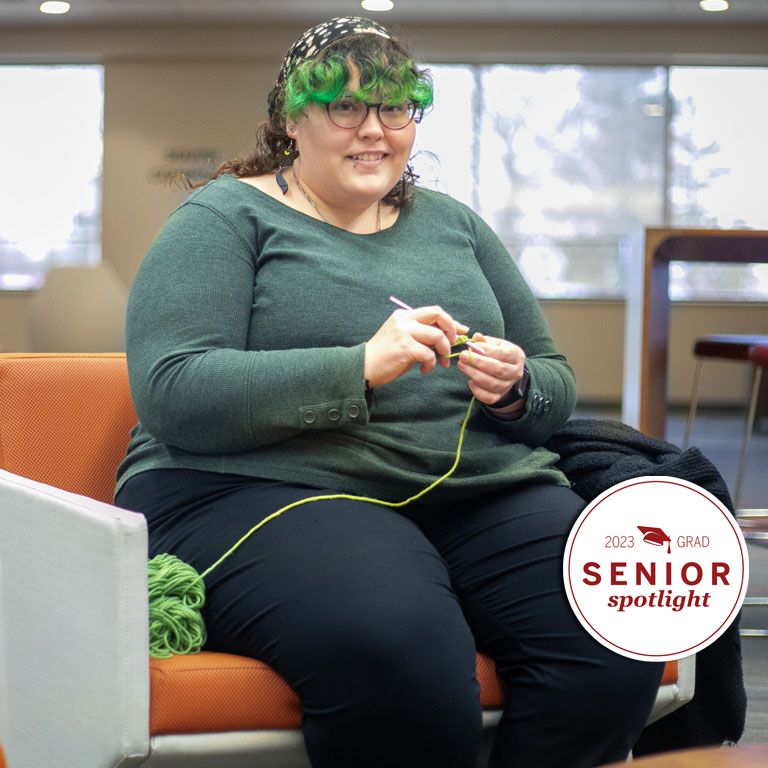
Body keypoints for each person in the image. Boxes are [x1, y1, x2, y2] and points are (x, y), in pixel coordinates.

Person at [115, 16, 664, 768]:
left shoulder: (454, 226)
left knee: (614, 632)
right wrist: (358, 367)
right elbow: (172, 391)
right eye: (345, 107)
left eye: (395, 107)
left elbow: (553, 378)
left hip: (474, 491)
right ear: (290, 120)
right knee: (402, 654)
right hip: (255, 488)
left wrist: (515, 387)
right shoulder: (222, 218)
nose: (374, 130)